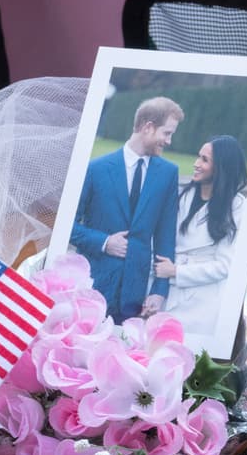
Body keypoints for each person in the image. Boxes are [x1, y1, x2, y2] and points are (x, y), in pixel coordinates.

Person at [70, 97, 183, 321]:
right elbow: (67, 225)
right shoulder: (96, 169)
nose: (169, 141)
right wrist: (104, 242)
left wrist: (160, 290)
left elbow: (165, 236)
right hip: (92, 285)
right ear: (148, 127)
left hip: (135, 295)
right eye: (167, 133)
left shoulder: (169, 173)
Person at [154, 135, 247, 357]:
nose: (196, 163)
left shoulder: (237, 207)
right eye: (199, 156)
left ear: (221, 168)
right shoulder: (181, 195)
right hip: (165, 291)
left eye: (204, 160)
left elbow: (225, 266)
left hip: (204, 303)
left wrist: (177, 271)